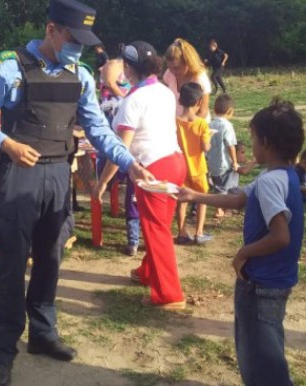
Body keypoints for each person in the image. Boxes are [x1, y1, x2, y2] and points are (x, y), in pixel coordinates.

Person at [0, 1, 154, 385]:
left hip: (57, 177)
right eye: (73, 38)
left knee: (50, 259)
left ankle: (43, 333)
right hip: (20, 174)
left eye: (84, 42)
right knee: (11, 264)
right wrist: (7, 144)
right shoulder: (10, 66)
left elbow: (99, 131)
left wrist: (129, 162)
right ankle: (2, 351)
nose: (78, 48)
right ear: (52, 29)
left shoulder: (80, 76)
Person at [178, 99, 305, 386]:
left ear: (265, 142)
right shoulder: (282, 175)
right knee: (268, 347)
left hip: (261, 284)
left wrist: (243, 253)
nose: (250, 145)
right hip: (275, 281)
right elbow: (238, 199)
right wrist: (194, 196)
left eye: (252, 139)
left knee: (260, 360)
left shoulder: (271, 182)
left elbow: (280, 235)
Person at [92, 40, 188, 310]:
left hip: (152, 168)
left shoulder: (132, 100)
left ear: (129, 69)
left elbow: (120, 149)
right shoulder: (165, 91)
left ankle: (169, 294)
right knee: (157, 226)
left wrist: (102, 183)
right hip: (174, 161)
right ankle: (148, 272)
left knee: (156, 230)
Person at [97, 57, 140, 255]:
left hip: (125, 144)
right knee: (107, 178)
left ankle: (134, 240)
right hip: (109, 140)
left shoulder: (129, 98)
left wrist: (113, 86)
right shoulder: (115, 94)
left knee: (133, 195)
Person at [175, 82, 212, 245]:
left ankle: (181, 232)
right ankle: (199, 232)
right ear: (199, 103)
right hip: (198, 168)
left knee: (181, 200)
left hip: (180, 168)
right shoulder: (202, 124)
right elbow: (205, 147)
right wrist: (209, 136)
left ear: (180, 101)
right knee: (202, 199)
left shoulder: (174, 122)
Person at [163, 38, 212, 122]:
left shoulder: (200, 78)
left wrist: (186, 127)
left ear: (188, 62)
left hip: (196, 127)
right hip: (176, 126)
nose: (173, 71)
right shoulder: (169, 73)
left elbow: (203, 111)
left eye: (176, 68)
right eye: (169, 67)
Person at [206, 94, 239, 218]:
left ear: (214, 110)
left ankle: (220, 208)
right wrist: (235, 161)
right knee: (226, 187)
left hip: (213, 162)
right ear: (230, 111)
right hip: (225, 163)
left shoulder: (210, 124)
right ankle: (222, 209)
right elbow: (230, 145)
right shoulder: (227, 126)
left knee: (218, 186)